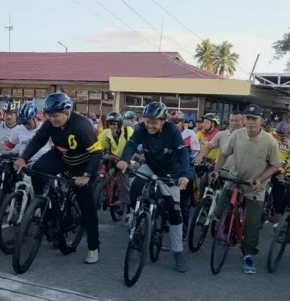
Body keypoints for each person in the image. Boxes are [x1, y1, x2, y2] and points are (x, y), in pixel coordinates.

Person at [15, 93, 102, 264]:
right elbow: (38, 140)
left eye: (56, 116)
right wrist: (23, 158)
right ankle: (44, 207)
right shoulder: (49, 124)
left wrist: (86, 176)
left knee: (87, 206)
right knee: (37, 169)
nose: (52, 119)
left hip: (83, 163)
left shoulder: (82, 126)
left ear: (67, 111)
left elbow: (97, 153)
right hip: (62, 156)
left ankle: (94, 247)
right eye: (49, 116)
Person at [116, 102, 191, 273]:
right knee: (135, 185)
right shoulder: (141, 128)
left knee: (174, 212)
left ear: (163, 121)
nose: (150, 125)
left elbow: (182, 152)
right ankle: (134, 216)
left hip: (171, 172)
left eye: (154, 122)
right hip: (151, 167)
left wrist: (185, 174)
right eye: (147, 121)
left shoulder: (172, 130)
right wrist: (124, 159)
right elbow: (132, 144)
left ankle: (178, 253)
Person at [210, 104, 281, 274]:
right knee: (218, 211)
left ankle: (248, 254)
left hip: (255, 185)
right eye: (247, 118)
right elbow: (224, 154)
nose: (250, 122)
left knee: (252, 224)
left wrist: (260, 180)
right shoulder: (236, 135)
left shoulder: (269, 141)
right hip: (235, 178)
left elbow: (275, 166)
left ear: (261, 121)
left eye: (254, 119)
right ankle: (228, 227)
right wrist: (216, 171)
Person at [98, 112, 134, 225]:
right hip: (113, 160)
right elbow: (96, 144)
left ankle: (126, 208)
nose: (112, 127)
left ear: (120, 124)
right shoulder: (106, 133)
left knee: (124, 183)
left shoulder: (129, 132)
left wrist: (129, 160)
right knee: (102, 173)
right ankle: (100, 195)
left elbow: (135, 146)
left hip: (126, 161)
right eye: (109, 124)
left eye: (114, 124)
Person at [168, 110, 200, 239]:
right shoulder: (167, 134)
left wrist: (187, 159)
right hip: (170, 171)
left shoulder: (190, 134)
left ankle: (184, 230)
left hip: (186, 171)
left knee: (183, 204)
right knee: (167, 199)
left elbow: (196, 151)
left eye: (176, 122)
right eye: (171, 122)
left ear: (183, 123)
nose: (174, 124)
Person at [268, 121, 290, 223]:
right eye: (278, 134)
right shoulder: (271, 135)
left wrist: (284, 170)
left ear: (289, 133)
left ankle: (278, 215)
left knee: (279, 189)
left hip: (283, 168)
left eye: (283, 135)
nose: (280, 137)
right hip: (269, 164)